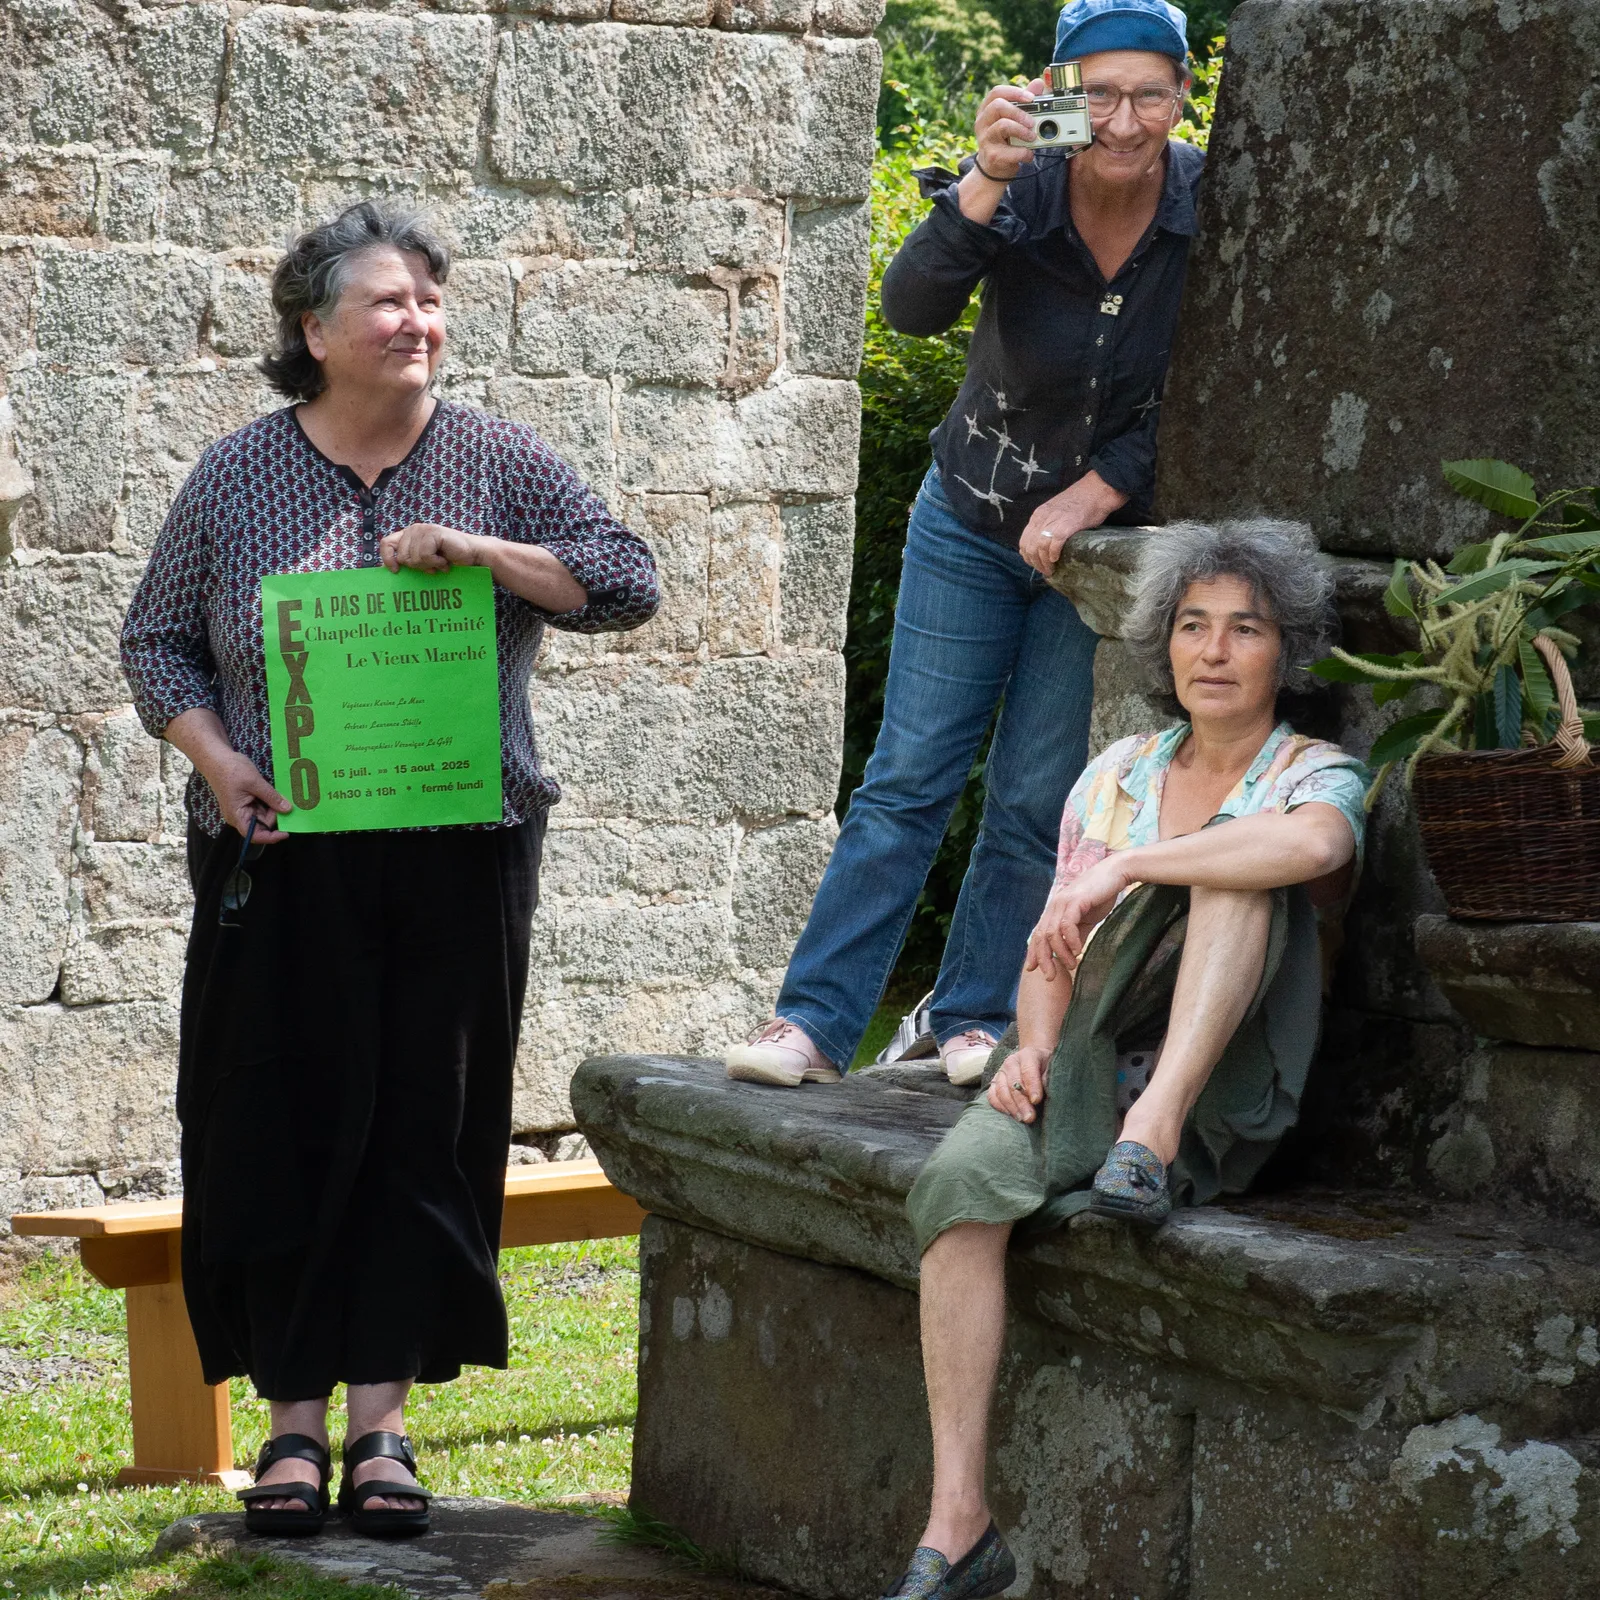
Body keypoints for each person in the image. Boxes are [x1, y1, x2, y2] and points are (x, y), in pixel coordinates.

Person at [119, 202, 658, 1537]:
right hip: (279, 856)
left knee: (428, 1124)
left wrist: (480, 554)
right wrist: (214, 759)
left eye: (428, 297)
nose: (416, 320)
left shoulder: (492, 457)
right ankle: (289, 1424)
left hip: (457, 859)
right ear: (314, 330)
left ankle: (383, 1429)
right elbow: (156, 644)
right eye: (386, 301)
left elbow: (626, 579)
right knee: (276, 1122)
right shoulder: (236, 476)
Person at [882, 520, 1369, 1600]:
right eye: (1193, 625)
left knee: (1234, 869)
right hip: (1091, 1049)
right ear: (1164, 645)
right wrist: (1035, 1049)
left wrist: (1134, 866)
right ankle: (958, 1525)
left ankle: (1146, 1140)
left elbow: (1314, 850)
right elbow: (1052, 944)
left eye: (1245, 629)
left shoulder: (1315, 772)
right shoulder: (1118, 771)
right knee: (959, 1187)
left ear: (1284, 654)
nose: (1213, 649)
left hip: (1221, 1086)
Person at [725, 0, 1204, 1090]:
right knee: (907, 781)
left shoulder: (1209, 209)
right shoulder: (1021, 182)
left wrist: (1095, 493)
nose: (1121, 119)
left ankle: (975, 1013)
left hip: (1096, 553)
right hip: (971, 518)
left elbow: (1210, 393)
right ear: (1056, 90)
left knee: (1037, 797)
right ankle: (809, 1023)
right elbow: (908, 307)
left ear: (1181, 94)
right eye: (1097, 92)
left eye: (1146, 93)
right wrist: (984, 180)